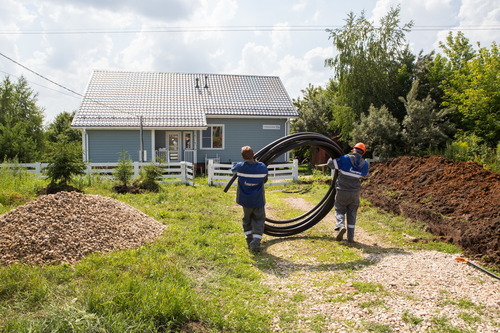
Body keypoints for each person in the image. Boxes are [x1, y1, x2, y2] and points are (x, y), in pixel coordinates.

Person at [327, 142, 369, 243]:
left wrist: (331, 155)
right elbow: (365, 174)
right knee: (352, 214)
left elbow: (330, 164)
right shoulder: (365, 164)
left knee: (339, 209)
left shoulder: (345, 159)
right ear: (363, 153)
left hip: (342, 190)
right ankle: (350, 238)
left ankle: (340, 226)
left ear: (353, 149)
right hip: (355, 193)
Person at [231, 146, 268, 253]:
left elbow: (233, 170)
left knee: (247, 219)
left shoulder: (240, 167)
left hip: (245, 200)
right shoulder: (262, 167)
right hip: (258, 200)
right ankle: (256, 241)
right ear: (253, 154)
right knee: (259, 220)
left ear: (242, 157)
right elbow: (264, 179)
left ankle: (249, 239)